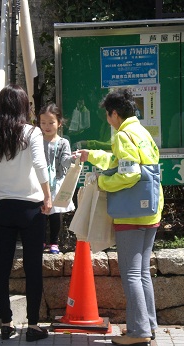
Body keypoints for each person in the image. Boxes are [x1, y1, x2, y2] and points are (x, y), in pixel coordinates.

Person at [76, 87, 163, 346]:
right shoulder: (142, 133)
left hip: (131, 214)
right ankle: (148, 326)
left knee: (132, 275)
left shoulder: (123, 135)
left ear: (114, 114)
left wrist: (103, 183)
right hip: (150, 211)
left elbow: (128, 173)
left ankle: (138, 333)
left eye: (107, 114)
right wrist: (90, 156)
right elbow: (118, 161)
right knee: (142, 273)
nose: (107, 119)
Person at [0, 85, 51, 342]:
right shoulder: (32, 132)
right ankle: (33, 326)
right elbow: (40, 164)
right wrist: (48, 196)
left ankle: (5, 323)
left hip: (3, 208)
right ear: (23, 107)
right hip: (31, 208)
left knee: (1, 268)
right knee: (32, 269)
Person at [36, 103, 75, 254]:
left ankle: (54, 242)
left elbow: (65, 161)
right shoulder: (37, 140)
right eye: (43, 123)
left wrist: (72, 158)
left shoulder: (63, 142)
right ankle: (41, 241)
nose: (47, 126)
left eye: (51, 122)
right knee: (40, 213)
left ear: (59, 123)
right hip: (40, 182)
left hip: (57, 182)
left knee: (55, 214)